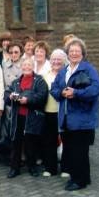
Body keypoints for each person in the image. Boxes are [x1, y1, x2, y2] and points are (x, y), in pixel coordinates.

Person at [50, 37, 99, 191]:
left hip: (82, 118)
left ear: (82, 53)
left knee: (80, 151)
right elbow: (53, 89)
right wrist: (62, 93)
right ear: (67, 53)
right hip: (66, 118)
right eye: (71, 51)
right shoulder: (64, 71)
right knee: (71, 150)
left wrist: (76, 93)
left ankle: (79, 180)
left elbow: (96, 89)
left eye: (77, 51)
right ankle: (80, 177)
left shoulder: (88, 69)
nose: (74, 53)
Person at [5, 58, 48, 178]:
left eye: (29, 65)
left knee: (31, 143)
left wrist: (28, 100)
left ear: (33, 66)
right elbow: (6, 95)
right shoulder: (16, 82)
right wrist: (11, 97)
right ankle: (15, 168)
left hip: (32, 117)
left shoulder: (39, 81)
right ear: (21, 67)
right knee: (16, 143)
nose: (26, 67)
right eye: (24, 65)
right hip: (17, 117)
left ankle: (32, 167)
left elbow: (42, 97)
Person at [42, 49, 67, 177]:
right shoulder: (45, 75)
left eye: (59, 59)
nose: (56, 62)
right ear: (50, 61)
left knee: (65, 140)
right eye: (53, 59)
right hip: (49, 111)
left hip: (63, 112)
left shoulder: (67, 74)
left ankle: (66, 168)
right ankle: (50, 168)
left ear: (64, 61)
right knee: (49, 140)